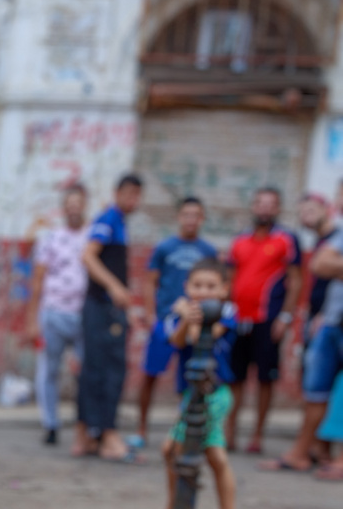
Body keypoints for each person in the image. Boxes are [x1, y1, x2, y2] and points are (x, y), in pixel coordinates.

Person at [140, 261, 238, 509]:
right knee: (216, 457)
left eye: (211, 286)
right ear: (186, 287)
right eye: (197, 286)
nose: (203, 292)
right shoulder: (179, 313)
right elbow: (177, 341)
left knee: (172, 450)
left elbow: (202, 338)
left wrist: (192, 318)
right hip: (192, 393)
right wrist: (185, 318)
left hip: (212, 393)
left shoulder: (227, 312)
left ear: (223, 290)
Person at [225, 187, 301, 454]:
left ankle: (257, 435)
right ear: (253, 206)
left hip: (268, 320)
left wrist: (285, 317)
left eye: (271, 204)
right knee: (234, 378)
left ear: (278, 209)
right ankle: (229, 432)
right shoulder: (239, 240)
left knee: (265, 379)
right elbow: (230, 278)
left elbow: (296, 281)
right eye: (260, 203)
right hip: (238, 320)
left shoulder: (286, 239)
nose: (265, 208)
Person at [269, 200, 343, 472]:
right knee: (315, 391)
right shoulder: (335, 235)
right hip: (332, 321)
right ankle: (304, 453)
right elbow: (321, 265)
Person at [77, 173, 146, 461]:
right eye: (129, 193)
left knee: (101, 368)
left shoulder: (119, 221)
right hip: (101, 308)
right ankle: (105, 434)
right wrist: (115, 287)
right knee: (105, 370)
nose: (133, 200)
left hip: (109, 309)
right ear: (117, 193)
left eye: (137, 195)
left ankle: (89, 436)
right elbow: (88, 256)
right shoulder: (109, 219)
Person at [137, 197, 216, 444]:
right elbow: (150, 281)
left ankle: (182, 430)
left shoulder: (208, 251)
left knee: (188, 378)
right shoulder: (164, 248)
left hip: (194, 323)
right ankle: (141, 429)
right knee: (150, 374)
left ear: (202, 219)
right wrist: (151, 315)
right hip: (166, 320)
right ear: (179, 217)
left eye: (196, 215)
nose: (191, 219)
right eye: (186, 214)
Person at [25, 184, 90, 445]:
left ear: (85, 206)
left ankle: (85, 425)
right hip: (53, 313)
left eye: (78, 204)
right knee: (49, 371)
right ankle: (50, 424)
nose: (74, 209)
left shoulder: (93, 238)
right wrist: (32, 319)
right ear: (64, 208)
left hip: (85, 315)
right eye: (69, 204)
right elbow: (38, 280)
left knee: (85, 372)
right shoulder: (50, 239)